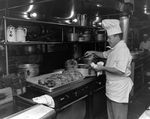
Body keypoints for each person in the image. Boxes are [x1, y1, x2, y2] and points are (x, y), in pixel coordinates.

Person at [85, 19, 133, 119]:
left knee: (119, 116)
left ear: (117, 36)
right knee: (111, 116)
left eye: (109, 38)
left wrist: (103, 68)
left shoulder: (122, 50)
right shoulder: (115, 49)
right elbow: (104, 54)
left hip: (119, 91)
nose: (108, 40)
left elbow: (120, 70)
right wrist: (93, 51)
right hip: (112, 89)